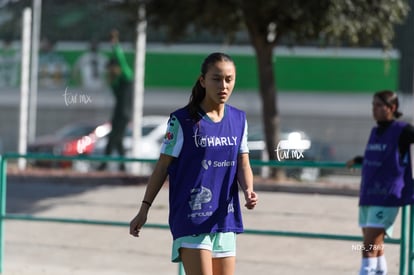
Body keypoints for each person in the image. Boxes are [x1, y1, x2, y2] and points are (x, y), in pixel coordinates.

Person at [129, 52, 258, 275]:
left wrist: (248, 190)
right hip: (192, 217)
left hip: (225, 217)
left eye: (229, 79)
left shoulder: (238, 119)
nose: (223, 85)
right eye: (216, 79)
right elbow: (162, 167)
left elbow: (243, 162)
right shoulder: (182, 121)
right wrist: (144, 209)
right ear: (203, 81)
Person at [347, 90, 414, 275]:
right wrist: (360, 159)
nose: (374, 109)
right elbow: (381, 156)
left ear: (392, 108)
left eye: (379, 105)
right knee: (376, 248)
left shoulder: (403, 130)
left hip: (387, 196)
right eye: (373, 105)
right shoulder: (375, 131)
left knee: (368, 248)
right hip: (368, 194)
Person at [98, 30, 133, 171]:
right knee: (117, 140)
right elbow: (112, 79)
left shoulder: (126, 76)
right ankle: (122, 165)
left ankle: (104, 164)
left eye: (111, 68)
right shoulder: (115, 82)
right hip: (119, 113)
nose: (110, 71)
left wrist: (115, 44)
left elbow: (121, 59)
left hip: (123, 114)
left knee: (113, 138)